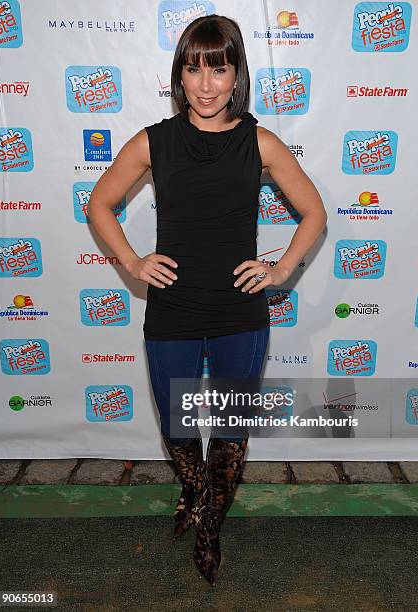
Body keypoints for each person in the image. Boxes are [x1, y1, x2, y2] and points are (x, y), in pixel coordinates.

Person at [88, 14, 327, 587]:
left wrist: (281, 268)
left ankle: (207, 527)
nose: (205, 83)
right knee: (177, 429)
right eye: (193, 68)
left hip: (239, 310)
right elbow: (100, 204)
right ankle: (195, 493)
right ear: (180, 75)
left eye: (217, 68)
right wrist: (133, 261)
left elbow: (314, 213)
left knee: (228, 429)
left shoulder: (261, 141)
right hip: (171, 305)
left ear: (236, 73)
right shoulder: (154, 140)